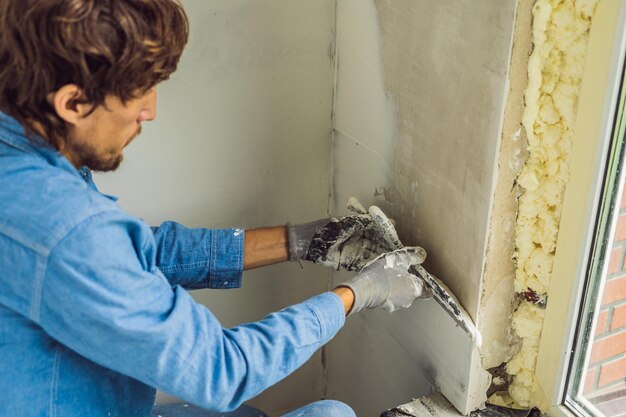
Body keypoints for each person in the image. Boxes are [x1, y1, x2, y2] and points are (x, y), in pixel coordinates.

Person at [0, 1, 430, 416]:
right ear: (72, 103)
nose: (150, 111)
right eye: (138, 92)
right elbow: (221, 371)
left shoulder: (21, 157)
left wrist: (300, 241)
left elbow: (135, 254)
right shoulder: (64, 227)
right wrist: (356, 294)